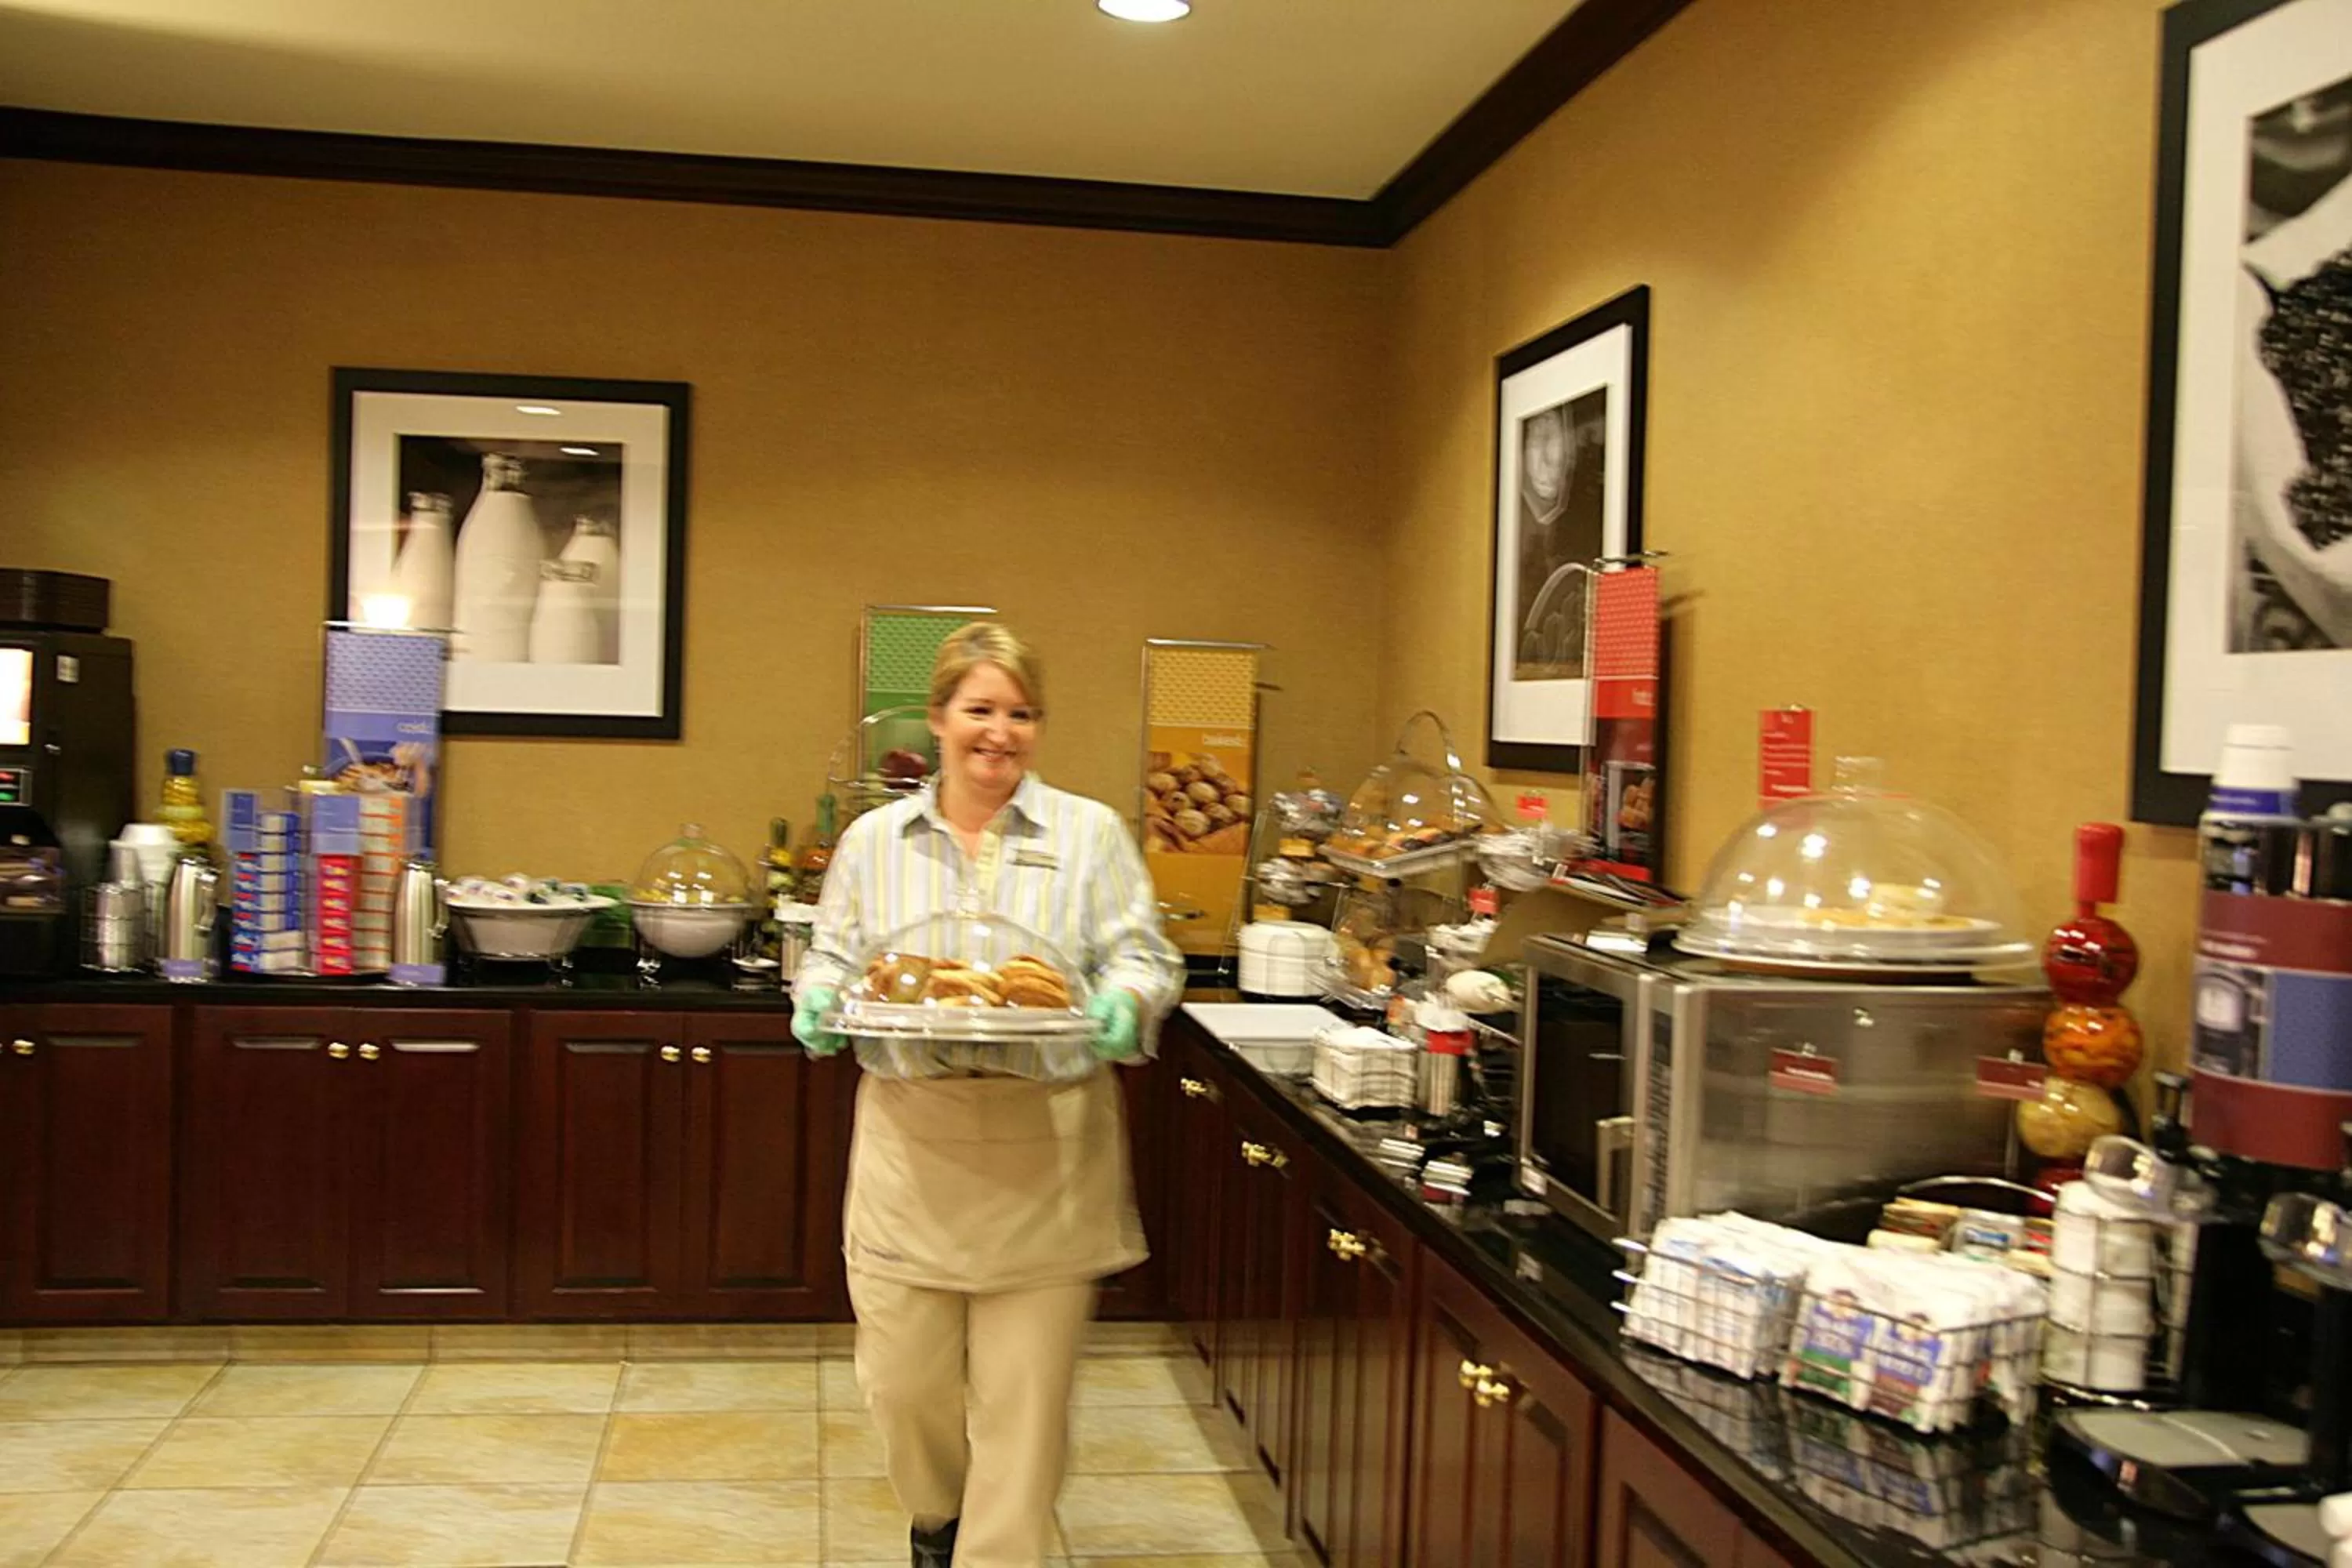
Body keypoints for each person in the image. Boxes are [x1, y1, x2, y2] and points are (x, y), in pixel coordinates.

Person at [790, 622, 1183, 1568]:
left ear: (1039, 724)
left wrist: (1128, 998)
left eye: (1020, 712)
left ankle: (996, 1552)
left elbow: (1143, 950)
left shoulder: (1090, 835)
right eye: (979, 710)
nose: (998, 732)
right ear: (939, 719)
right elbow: (838, 955)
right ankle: (937, 1517)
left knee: (1026, 1410)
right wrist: (816, 993)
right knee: (902, 1388)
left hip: (1046, 1148)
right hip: (909, 1149)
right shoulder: (875, 839)